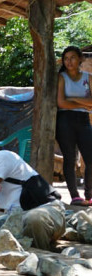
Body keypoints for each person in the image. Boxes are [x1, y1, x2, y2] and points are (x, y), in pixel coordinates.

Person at [56, 45, 92, 207]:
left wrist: (74, 100)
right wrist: (84, 103)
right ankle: (75, 196)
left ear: (80, 59)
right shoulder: (62, 77)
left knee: (90, 158)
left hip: (84, 120)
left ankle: (89, 194)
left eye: (72, 58)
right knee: (69, 159)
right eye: (66, 58)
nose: (69, 61)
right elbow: (61, 103)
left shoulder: (88, 77)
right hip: (65, 121)